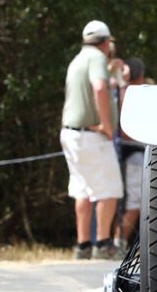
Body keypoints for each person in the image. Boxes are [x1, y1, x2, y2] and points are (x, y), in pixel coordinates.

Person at [61, 20, 124, 260]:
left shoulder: (78, 59)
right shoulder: (97, 58)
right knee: (109, 190)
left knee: (82, 190)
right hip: (92, 134)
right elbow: (99, 88)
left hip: (70, 132)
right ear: (106, 42)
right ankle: (103, 244)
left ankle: (83, 245)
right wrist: (108, 128)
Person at [114, 57, 148, 250]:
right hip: (133, 154)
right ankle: (119, 243)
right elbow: (126, 130)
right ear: (140, 76)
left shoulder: (118, 91)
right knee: (134, 202)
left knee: (126, 201)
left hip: (124, 153)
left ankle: (120, 242)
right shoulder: (130, 94)